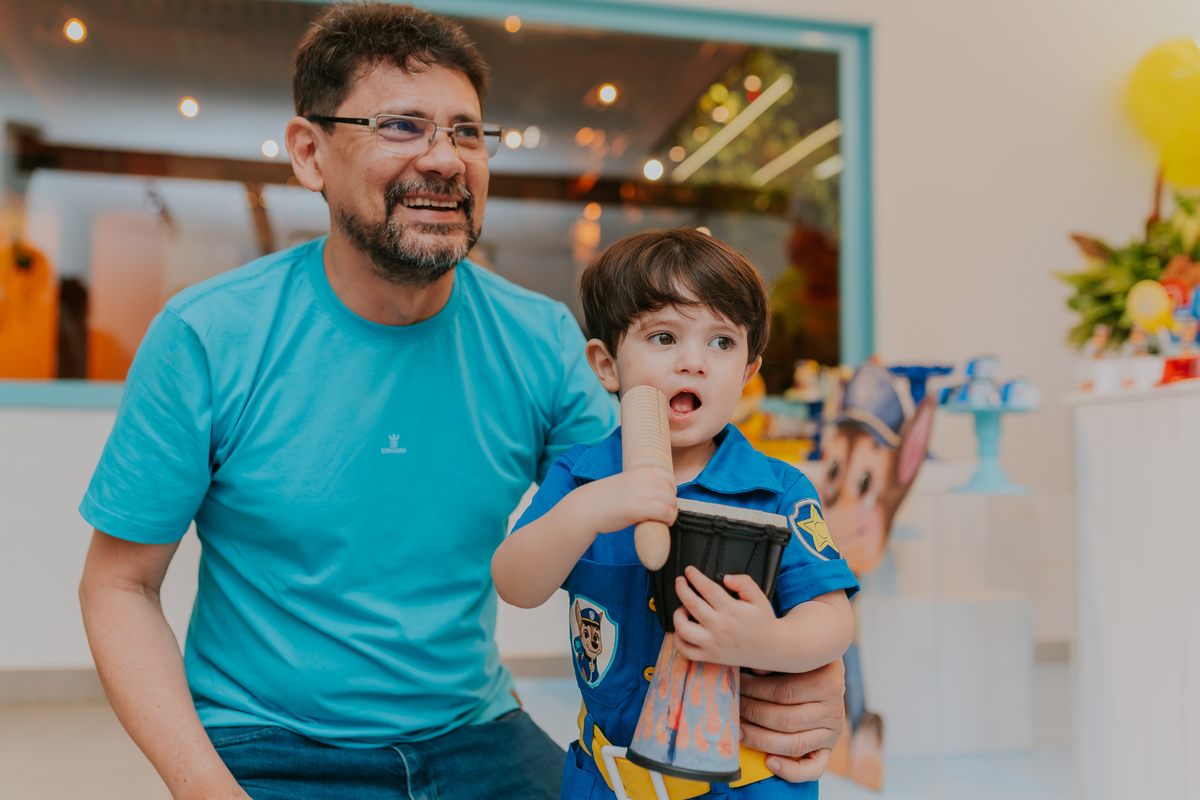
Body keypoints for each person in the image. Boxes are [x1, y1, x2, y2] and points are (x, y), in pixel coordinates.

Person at [76, 5, 851, 799]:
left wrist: (808, 670)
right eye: (402, 126)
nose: (446, 160)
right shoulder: (209, 336)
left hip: (477, 733)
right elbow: (119, 587)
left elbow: (662, 513)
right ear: (310, 153)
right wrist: (208, 791)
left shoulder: (539, 340)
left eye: (468, 133)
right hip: (271, 740)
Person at [492, 228, 860, 799]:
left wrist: (769, 640)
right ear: (607, 365)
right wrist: (588, 509)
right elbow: (515, 583)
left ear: (748, 373)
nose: (693, 362)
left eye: (721, 342)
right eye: (663, 337)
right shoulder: (580, 475)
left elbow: (833, 620)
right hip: (607, 781)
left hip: (747, 785)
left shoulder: (780, 490)